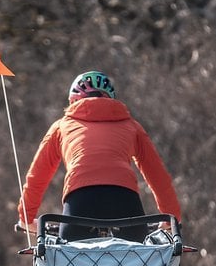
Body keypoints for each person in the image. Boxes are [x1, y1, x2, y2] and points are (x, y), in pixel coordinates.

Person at [17, 70, 182, 242]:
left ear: (73, 101)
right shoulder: (132, 126)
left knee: (68, 263)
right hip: (125, 199)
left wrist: (26, 217)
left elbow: (37, 176)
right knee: (138, 262)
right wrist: (171, 216)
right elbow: (157, 175)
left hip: (80, 199)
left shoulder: (61, 127)